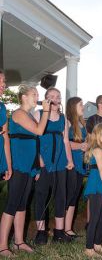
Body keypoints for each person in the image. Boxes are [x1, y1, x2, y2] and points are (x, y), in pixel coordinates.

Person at [0, 84, 50, 256]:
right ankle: (2, 246)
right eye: (34, 94)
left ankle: (19, 241)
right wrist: (46, 112)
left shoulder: (28, 115)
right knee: (12, 204)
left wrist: (36, 166)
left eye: (37, 94)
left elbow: (34, 142)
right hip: (19, 165)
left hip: (29, 166)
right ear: (23, 97)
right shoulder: (19, 113)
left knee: (22, 205)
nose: (37, 96)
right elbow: (39, 130)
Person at [34, 87, 74, 244]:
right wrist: (39, 160)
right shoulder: (38, 114)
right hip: (44, 161)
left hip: (60, 162)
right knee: (41, 196)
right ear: (45, 99)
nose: (55, 99)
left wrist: (69, 160)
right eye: (51, 96)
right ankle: (41, 232)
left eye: (57, 96)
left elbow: (65, 141)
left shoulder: (63, 118)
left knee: (60, 196)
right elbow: (35, 138)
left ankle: (59, 232)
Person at [84, 123, 102, 258]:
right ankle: (88, 247)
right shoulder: (97, 150)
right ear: (98, 135)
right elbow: (101, 170)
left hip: (101, 186)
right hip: (96, 186)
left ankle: (97, 243)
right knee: (95, 217)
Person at [65, 97, 88, 237]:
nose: (83, 106)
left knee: (74, 196)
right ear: (73, 106)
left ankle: (68, 228)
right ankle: (63, 228)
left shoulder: (81, 123)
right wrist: (80, 146)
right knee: (69, 195)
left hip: (81, 163)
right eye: (81, 104)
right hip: (70, 164)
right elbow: (65, 143)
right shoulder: (67, 123)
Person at [0, 70, 12, 183]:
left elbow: (5, 138)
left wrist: (8, 165)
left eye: (3, 81)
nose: (3, 84)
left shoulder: (2, 108)